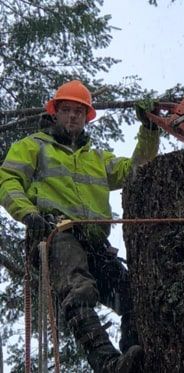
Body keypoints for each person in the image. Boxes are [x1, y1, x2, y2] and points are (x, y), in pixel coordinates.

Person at [0, 80, 160, 372]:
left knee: (133, 295)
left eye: (78, 111)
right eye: (66, 110)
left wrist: (149, 130)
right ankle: (107, 363)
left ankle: (135, 357)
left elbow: (137, 170)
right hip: (55, 232)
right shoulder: (33, 147)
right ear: (55, 113)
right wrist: (29, 214)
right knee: (79, 289)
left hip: (94, 241)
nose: (72, 116)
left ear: (87, 117)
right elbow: (7, 180)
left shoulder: (97, 159)